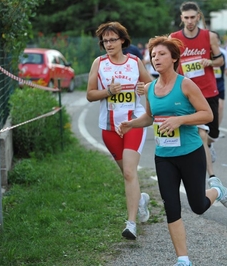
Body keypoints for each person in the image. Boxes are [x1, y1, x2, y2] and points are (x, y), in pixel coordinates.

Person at [118, 35, 227, 266]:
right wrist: (131, 123)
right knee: (171, 206)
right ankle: (183, 259)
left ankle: (217, 191)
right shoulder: (150, 88)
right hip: (164, 157)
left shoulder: (186, 84)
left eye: (161, 54)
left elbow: (207, 115)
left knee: (198, 206)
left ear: (173, 58)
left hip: (190, 153)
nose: (156, 58)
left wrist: (180, 121)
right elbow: (150, 117)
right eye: (153, 55)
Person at [86, 21, 153, 240]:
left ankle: (131, 223)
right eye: (105, 41)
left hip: (133, 122)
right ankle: (141, 200)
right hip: (109, 127)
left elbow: (151, 85)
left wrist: (144, 88)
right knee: (127, 173)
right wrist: (107, 91)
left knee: (128, 172)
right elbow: (90, 94)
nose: (108, 44)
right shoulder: (99, 63)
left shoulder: (134, 62)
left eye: (112, 40)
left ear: (122, 40)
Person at [169, 1, 224, 179]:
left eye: (193, 17)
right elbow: (172, 64)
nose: (190, 21)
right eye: (186, 18)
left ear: (198, 17)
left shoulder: (210, 36)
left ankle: (210, 144)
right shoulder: (174, 38)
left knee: (212, 133)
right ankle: (211, 176)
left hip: (209, 91)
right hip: (187, 93)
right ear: (181, 18)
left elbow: (220, 60)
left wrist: (210, 62)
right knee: (201, 134)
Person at [210, 31, 227, 138]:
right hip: (207, 84)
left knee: (220, 107)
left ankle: (216, 129)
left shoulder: (223, 53)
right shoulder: (203, 52)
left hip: (219, 83)